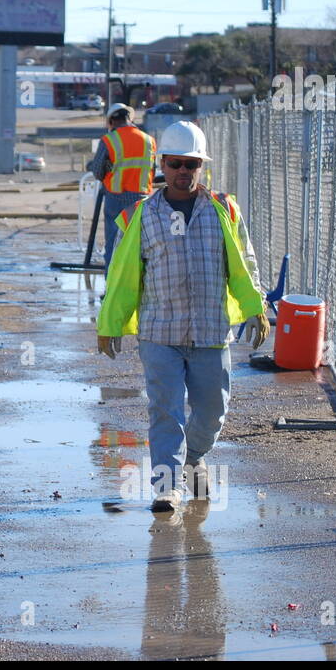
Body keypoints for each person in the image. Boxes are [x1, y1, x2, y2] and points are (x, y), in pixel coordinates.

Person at [95, 120, 270, 512]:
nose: (182, 172)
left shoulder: (224, 210)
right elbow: (122, 277)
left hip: (210, 332)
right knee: (165, 410)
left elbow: (245, 263)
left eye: (191, 164)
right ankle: (167, 486)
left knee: (212, 411)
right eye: (175, 164)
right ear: (162, 164)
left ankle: (193, 457)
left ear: (201, 166)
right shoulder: (140, 215)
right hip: (160, 332)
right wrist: (109, 323)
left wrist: (256, 307)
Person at [87, 103, 156, 268]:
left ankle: (112, 288)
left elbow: (97, 172)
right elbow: (152, 170)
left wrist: (98, 166)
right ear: (130, 119)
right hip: (142, 199)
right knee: (140, 244)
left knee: (114, 244)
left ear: (111, 121)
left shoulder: (109, 140)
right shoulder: (149, 140)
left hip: (116, 198)